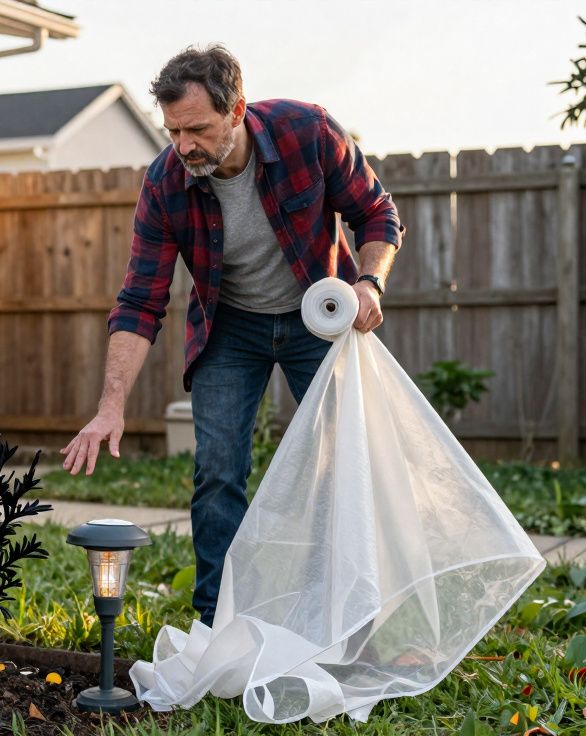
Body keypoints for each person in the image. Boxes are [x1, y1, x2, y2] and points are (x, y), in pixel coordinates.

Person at [59, 44, 404, 627]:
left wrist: (369, 282)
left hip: (317, 318)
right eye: (172, 131)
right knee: (217, 470)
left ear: (237, 108)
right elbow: (141, 299)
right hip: (229, 328)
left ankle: (350, 611)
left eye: (197, 128)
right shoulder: (166, 182)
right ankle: (217, 623)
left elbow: (377, 213)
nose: (183, 145)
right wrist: (110, 406)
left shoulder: (308, 132)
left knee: (344, 463)